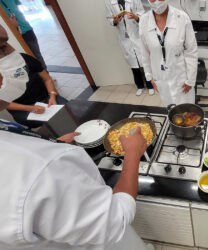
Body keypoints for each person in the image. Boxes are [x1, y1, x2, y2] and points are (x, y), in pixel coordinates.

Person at [0, 78, 154, 250]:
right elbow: (116, 220)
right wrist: (133, 153)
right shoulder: (40, 170)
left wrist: (52, 146)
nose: (4, 79)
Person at [0, 24, 67, 128]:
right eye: (2, 47)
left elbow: (47, 79)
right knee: (52, 125)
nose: (9, 49)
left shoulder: (24, 58)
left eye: (6, 41)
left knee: (68, 110)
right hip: (21, 108)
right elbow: (5, 102)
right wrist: (30, 108)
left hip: (46, 99)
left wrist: (52, 96)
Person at [139, 0, 198, 106]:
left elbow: (191, 51)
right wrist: (149, 77)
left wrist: (191, 80)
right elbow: (145, 53)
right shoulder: (144, 21)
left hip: (182, 79)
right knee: (171, 111)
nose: (156, 1)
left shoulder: (182, 17)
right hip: (161, 78)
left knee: (187, 112)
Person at [105, 0, 154, 96]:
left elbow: (142, 15)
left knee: (144, 62)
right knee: (133, 65)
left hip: (137, 35)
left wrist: (135, 17)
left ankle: (150, 85)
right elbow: (109, 18)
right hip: (124, 37)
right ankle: (140, 86)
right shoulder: (108, 2)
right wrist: (115, 20)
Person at [0, 0, 47, 70]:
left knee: (37, 55)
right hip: (13, 35)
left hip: (27, 29)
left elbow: (17, 8)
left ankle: (46, 75)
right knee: (24, 59)